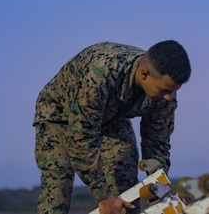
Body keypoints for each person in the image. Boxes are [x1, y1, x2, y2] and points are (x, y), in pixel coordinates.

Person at [33, 40, 191, 214]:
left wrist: (163, 190)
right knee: (58, 190)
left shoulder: (165, 93)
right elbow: (82, 140)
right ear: (144, 74)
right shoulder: (101, 75)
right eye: (163, 91)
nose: (168, 97)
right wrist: (103, 196)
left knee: (124, 182)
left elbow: (157, 143)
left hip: (111, 118)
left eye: (173, 91)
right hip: (60, 116)